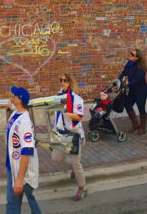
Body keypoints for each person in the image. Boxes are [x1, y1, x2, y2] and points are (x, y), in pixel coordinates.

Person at [5, 86, 41, 214]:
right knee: (22, 200)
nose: (12, 97)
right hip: (13, 166)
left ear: (19, 100)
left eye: (14, 96)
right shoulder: (16, 113)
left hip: (21, 169)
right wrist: (8, 108)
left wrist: (19, 179)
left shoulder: (24, 122)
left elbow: (27, 151)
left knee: (14, 203)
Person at [53, 73, 86, 201]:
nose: (62, 82)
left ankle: (82, 187)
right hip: (60, 133)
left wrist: (71, 115)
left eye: (65, 80)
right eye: (60, 80)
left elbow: (79, 116)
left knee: (77, 163)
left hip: (73, 134)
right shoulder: (58, 96)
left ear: (69, 82)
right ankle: (73, 167)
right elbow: (56, 115)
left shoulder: (76, 98)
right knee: (56, 157)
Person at [118, 48, 147, 135]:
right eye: (131, 53)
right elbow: (124, 72)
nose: (130, 55)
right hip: (132, 90)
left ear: (137, 58)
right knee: (127, 105)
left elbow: (137, 78)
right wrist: (118, 80)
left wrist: (128, 83)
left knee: (141, 108)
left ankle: (143, 127)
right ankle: (135, 124)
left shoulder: (141, 66)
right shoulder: (129, 63)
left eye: (132, 54)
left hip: (141, 91)